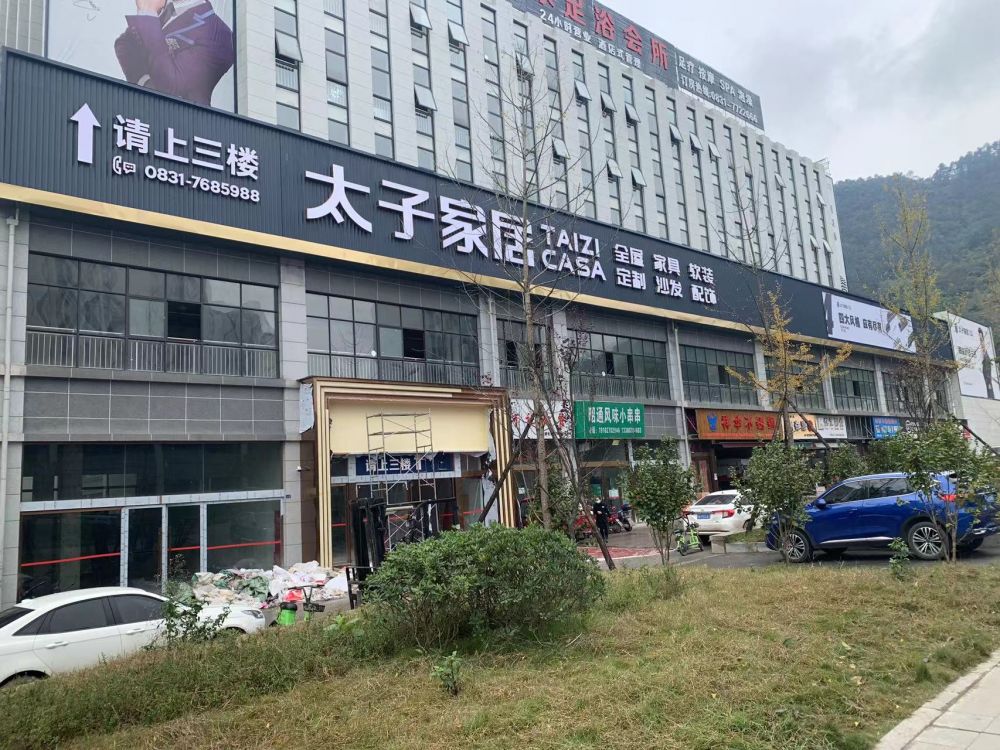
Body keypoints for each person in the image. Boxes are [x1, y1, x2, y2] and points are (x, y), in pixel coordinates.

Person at [114, 0, 235, 107]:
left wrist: (148, 13)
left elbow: (172, 87)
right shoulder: (164, 10)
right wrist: (144, 82)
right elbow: (124, 45)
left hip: (185, 120)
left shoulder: (219, 32)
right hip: (142, 114)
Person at [979, 329, 996, 400]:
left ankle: (991, 395)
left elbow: (983, 346)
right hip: (986, 372)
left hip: (987, 372)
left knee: (989, 383)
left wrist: (981, 334)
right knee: (988, 384)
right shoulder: (986, 357)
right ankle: (990, 395)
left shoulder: (986, 356)